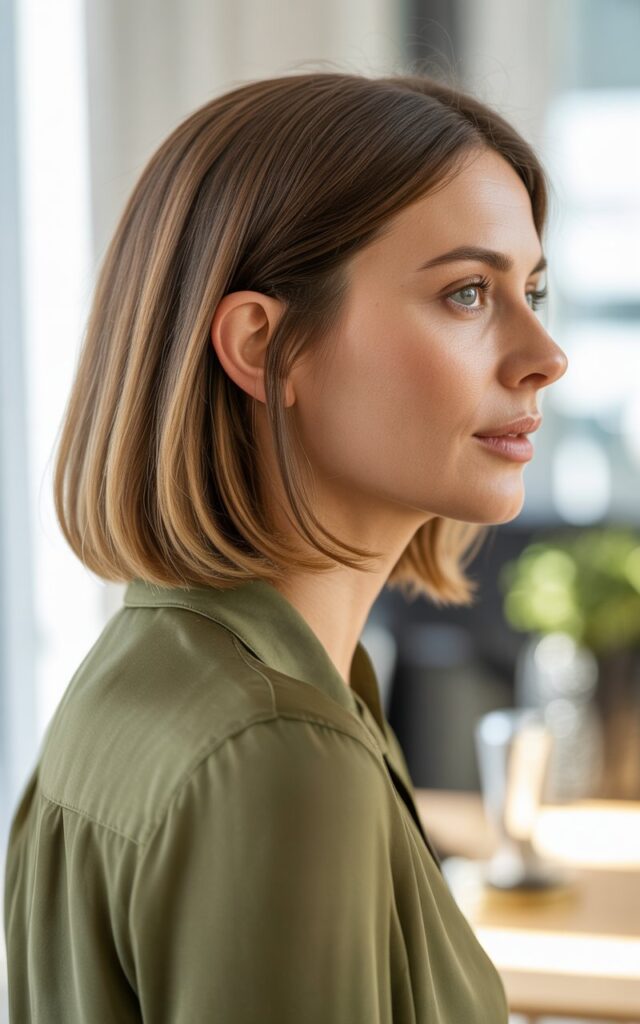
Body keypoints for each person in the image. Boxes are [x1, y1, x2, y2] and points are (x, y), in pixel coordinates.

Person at [3, 67, 568, 1022]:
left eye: (533, 291)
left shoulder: (151, 674)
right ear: (265, 346)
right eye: (469, 293)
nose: (545, 356)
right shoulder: (280, 751)